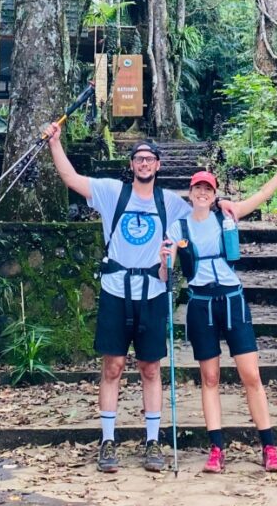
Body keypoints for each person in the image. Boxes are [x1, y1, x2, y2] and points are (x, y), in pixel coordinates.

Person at [44, 124, 205, 473]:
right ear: (131, 164)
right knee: (113, 366)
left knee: (150, 368)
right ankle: (107, 440)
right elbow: (71, 178)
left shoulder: (170, 203)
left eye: (150, 159)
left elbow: (201, 215)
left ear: (158, 165)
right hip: (115, 291)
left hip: (153, 292)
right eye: (138, 159)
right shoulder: (111, 193)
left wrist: (224, 203)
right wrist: (55, 143)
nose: (144, 163)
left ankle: (152, 441)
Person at [164, 145, 277, 474]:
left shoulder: (227, 214)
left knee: (251, 375)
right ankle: (216, 449)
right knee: (209, 377)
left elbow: (263, 194)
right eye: (197, 188)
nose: (202, 193)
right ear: (190, 193)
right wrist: (163, 260)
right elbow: (164, 271)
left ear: (214, 195)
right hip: (200, 304)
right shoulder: (178, 228)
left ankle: (269, 448)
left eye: (207, 189)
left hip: (232, 301)